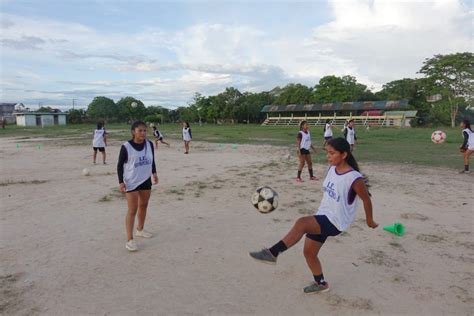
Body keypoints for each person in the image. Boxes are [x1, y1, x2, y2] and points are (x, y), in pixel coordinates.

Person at [249, 137, 378, 294]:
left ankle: (272, 253)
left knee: (302, 223)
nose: (328, 156)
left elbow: (366, 199)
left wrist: (369, 220)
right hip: (323, 216)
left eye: (332, 153)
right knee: (309, 253)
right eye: (327, 153)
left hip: (335, 222)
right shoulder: (332, 169)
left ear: (344, 155)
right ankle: (321, 283)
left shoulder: (354, 178)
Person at [117, 121, 159, 252]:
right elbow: (119, 165)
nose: (143, 133)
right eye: (140, 130)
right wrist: (121, 181)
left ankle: (140, 229)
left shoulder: (149, 144)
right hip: (131, 181)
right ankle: (130, 240)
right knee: (132, 210)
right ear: (133, 132)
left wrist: (154, 173)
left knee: (144, 205)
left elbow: (152, 160)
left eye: (144, 131)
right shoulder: (126, 147)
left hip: (146, 179)